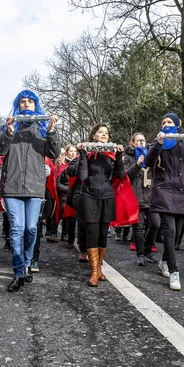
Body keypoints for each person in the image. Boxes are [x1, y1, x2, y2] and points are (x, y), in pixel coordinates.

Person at [0, 90, 59, 292]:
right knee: (16, 229)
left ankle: (27, 262)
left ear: (36, 105)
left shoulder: (42, 129)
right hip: (12, 188)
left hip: (34, 187)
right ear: (18, 105)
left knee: (31, 229)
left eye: (30, 101)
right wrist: (9, 131)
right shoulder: (8, 128)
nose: (27, 104)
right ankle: (19, 271)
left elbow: (54, 153)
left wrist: (52, 131)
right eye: (23, 102)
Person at [145, 113, 184, 291]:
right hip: (163, 190)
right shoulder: (157, 142)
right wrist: (158, 145)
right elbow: (148, 162)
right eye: (163, 122)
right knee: (169, 233)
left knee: (178, 232)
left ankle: (164, 261)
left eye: (170, 122)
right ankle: (174, 272)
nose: (166, 124)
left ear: (177, 125)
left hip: (182, 191)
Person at [75, 123, 125, 286]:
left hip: (107, 196)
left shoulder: (111, 154)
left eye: (106, 133)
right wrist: (82, 154)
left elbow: (120, 175)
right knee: (92, 233)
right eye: (100, 132)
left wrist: (119, 157)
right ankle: (94, 272)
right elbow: (82, 176)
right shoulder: (88, 153)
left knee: (103, 234)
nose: (104, 135)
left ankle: (99, 267)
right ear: (93, 135)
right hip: (89, 195)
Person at [123, 132, 160, 266]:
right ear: (132, 143)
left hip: (151, 196)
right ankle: (140, 254)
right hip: (136, 196)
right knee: (138, 227)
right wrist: (137, 164)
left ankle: (148, 249)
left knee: (155, 224)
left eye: (143, 140)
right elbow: (125, 175)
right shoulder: (128, 157)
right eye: (138, 141)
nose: (141, 143)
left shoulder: (151, 156)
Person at [57, 144, 77, 248]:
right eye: (71, 151)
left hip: (76, 194)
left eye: (75, 151)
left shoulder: (79, 164)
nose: (73, 153)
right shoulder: (62, 166)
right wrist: (67, 190)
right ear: (67, 152)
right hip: (65, 195)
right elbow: (58, 183)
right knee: (69, 217)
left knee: (74, 217)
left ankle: (69, 236)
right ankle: (68, 236)